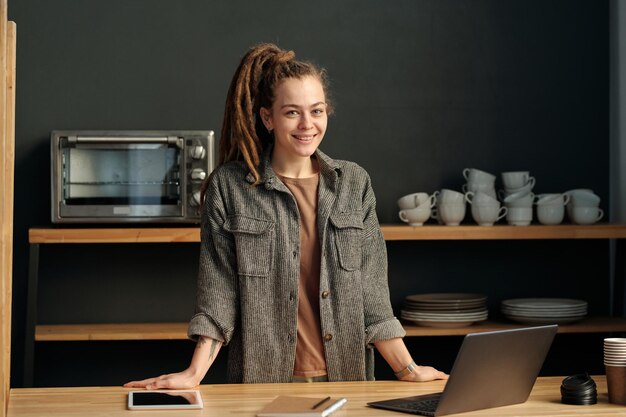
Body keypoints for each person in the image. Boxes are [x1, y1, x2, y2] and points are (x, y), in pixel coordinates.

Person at [124, 43, 448, 389]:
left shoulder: (354, 184)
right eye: (292, 112)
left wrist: (407, 370)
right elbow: (218, 296)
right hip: (264, 383)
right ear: (268, 118)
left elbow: (372, 298)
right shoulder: (230, 188)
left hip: (346, 380)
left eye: (317, 111)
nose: (307, 124)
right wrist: (194, 374)